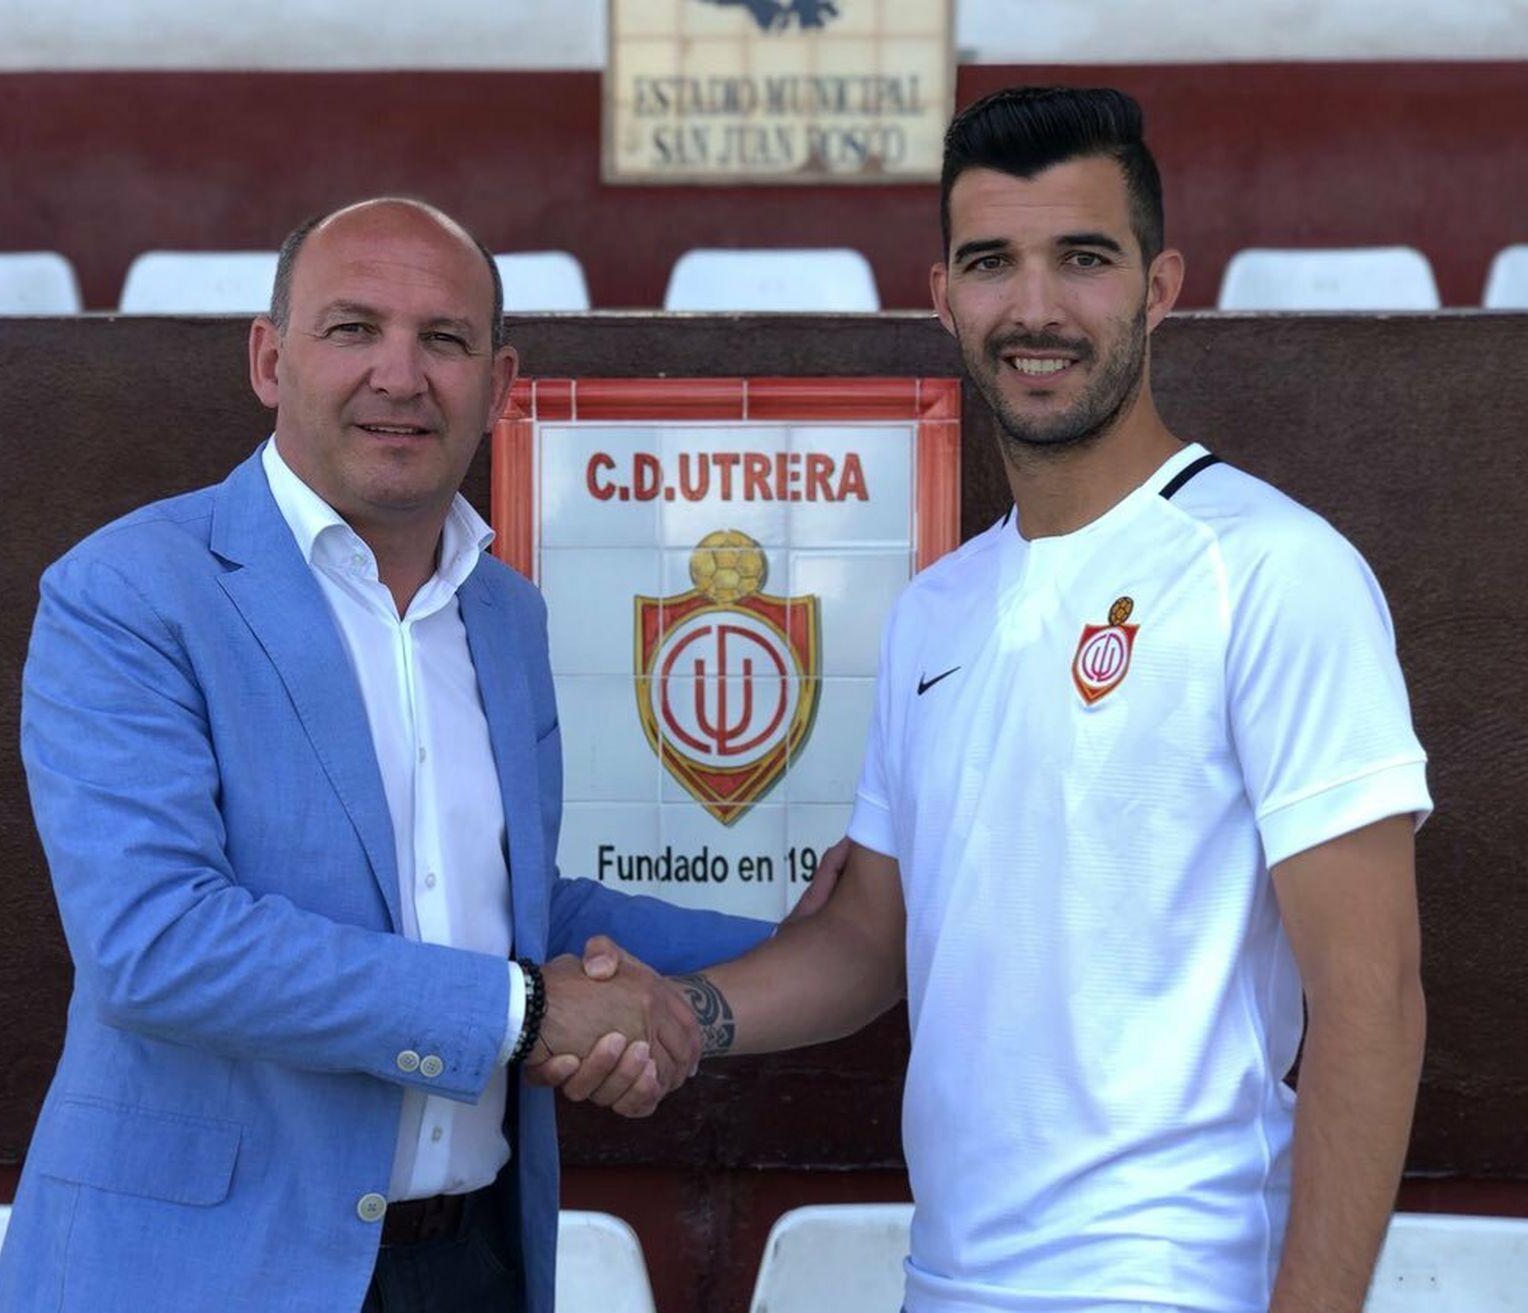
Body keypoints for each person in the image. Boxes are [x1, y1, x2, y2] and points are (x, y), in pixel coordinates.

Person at [581, 87, 1432, 1312]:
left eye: (1082, 259)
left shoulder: (1271, 571)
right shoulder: (939, 605)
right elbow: (872, 937)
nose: (1034, 308)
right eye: (992, 264)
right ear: (943, 297)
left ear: (1159, 284)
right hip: (951, 1275)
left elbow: (1372, 996)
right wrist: (679, 1011)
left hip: (1178, 1280)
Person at [0, 197, 818, 1313]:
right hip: (203, 1270)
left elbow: (515, 912)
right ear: (268, 359)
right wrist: (524, 1011)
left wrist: (811, 932)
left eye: (443, 338)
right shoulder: (132, 591)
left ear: (500, 380)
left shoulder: (506, 615)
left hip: (471, 1262)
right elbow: (156, 941)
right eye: (352, 328)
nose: (400, 373)